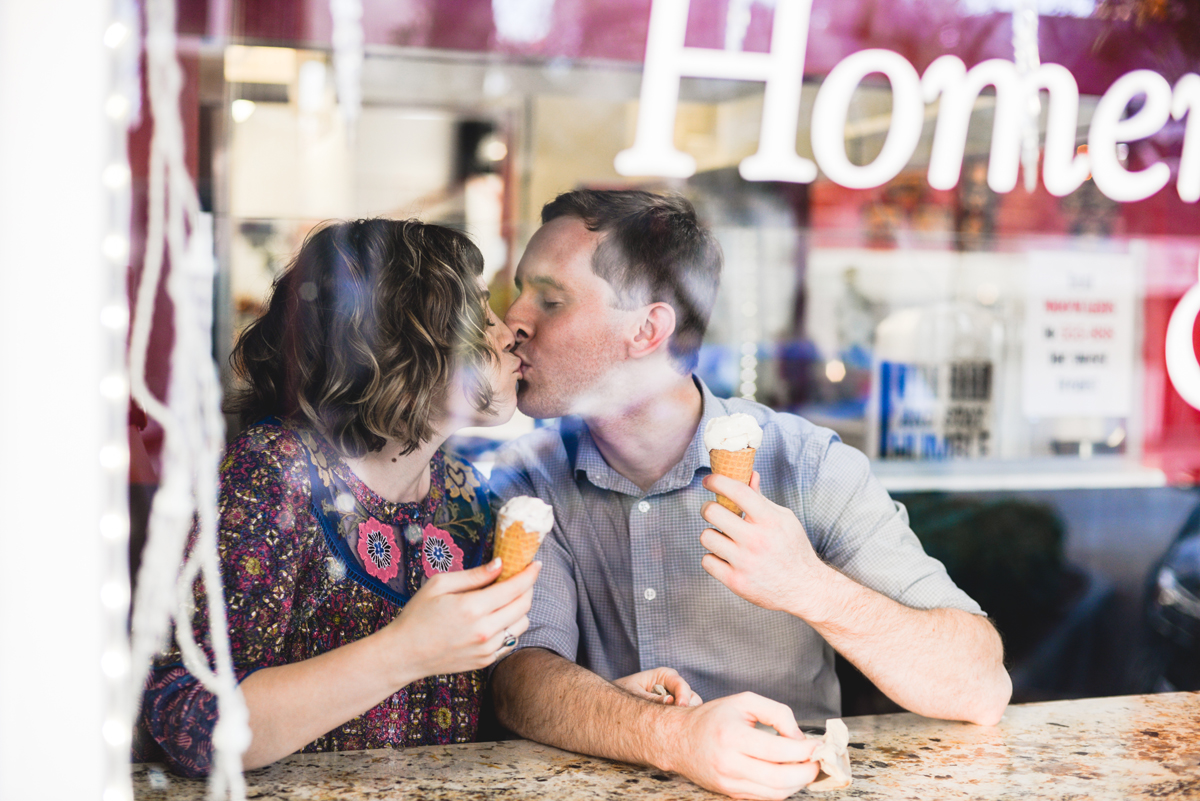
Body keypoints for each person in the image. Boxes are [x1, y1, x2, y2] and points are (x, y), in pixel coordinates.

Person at [488, 189, 1012, 800]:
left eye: (550, 299)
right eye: (520, 291)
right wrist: (675, 736)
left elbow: (980, 686)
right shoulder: (530, 476)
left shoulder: (809, 465)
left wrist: (809, 586)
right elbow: (519, 679)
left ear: (648, 329)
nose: (512, 320)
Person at [133, 219, 542, 777]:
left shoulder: (468, 497)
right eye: (480, 313)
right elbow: (192, 720)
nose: (509, 332)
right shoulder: (271, 473)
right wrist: (404, 652)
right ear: (403, 339)